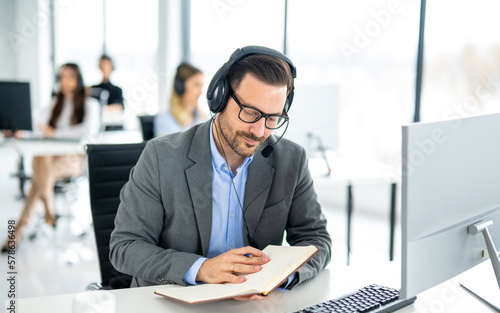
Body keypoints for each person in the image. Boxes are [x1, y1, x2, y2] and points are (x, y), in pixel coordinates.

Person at [110, 46, 331, 299]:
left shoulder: (290, 159)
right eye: (250, 112)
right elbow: (125, 247)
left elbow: (316, 239)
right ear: (220, 97)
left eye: (272, 118)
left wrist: (283, 275)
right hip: (172, 304)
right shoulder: (161, 156)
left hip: (253, 310)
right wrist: (202, 268)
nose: (259, 131)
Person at [3, 63, 100, 251]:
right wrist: (21, 131)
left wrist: (54, 132)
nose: (65, 81)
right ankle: (48, 208)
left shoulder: (90, 104)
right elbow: (37, 125)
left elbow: (87, 131)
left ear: (78, 79)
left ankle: (22, 229)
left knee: (38, 177)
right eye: (62, 77)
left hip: (74, 160)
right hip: (51, 159)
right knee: (40, 160)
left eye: (70, 76)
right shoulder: (55, 104)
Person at [153, 63, 206, 137]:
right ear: (180, 87)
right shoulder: (164, 120)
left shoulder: (204, 118)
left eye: (201, 86)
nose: (200, 91)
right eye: (196, 85)